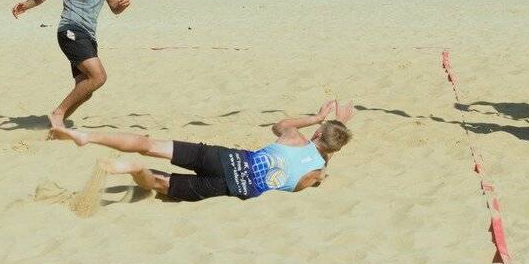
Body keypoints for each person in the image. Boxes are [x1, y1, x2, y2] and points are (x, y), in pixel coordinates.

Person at [49, 100, 353, 202]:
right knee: (161, 183)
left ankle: (87, 136)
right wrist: (331, 145)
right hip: (231, 187)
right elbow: (311, 175)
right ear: (335, 150)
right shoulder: (317, 173)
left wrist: (317, 117)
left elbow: (279, 125)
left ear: (317, 132)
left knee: (150, 144)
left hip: (226, 157)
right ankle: (134, 169)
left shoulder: (293, 136)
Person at [10, 0, 130, 132]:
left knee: (86, 89)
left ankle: (54, 126)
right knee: (99, 77)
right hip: (70, 30)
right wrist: (26, 5)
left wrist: (122, 4)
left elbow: (114, 7)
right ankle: (58, 114)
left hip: (89, 35)